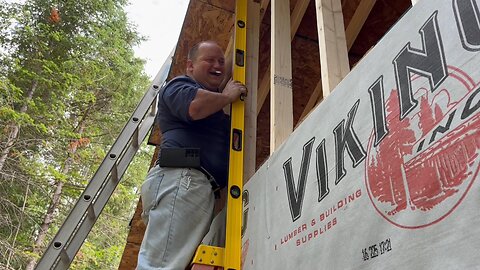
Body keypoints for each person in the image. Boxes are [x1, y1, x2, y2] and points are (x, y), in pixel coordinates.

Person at [137, 40, 247, 269]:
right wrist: (227, 97)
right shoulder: (178, 86)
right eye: (209, 60)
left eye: (220, 61)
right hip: (181, 180)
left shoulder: (215, 109)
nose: (218, 65)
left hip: (193, 187)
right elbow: (195, 106)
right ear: (190, 66)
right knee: (161, 266)